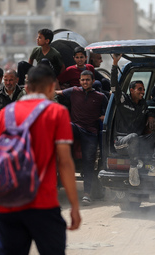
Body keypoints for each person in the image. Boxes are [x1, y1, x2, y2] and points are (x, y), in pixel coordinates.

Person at [0, 64, 81, 255]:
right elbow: (65, 163)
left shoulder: (6, 114)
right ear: (51, 87)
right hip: (42, 203)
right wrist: (74, 205)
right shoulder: (57, 112)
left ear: (27, 87)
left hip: (7, 203)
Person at [111, 54, 155, 187]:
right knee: (133, 136)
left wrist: (151, 114)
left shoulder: (143, 104)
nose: (142, 92)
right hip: (121, 142)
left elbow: (147, 111)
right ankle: (133, 168)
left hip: (137, 141)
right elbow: (114, 85)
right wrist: (115, 63)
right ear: (131, 90)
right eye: (139, 89)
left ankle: (154, 166)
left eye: (143, 89)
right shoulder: (123, 100)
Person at [56, 70, 107, 205]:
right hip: (75, 127)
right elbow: (57, 93)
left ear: (92, 80)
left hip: (91, 132)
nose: (85, 82)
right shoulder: (74, 91)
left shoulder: (101, 97)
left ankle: (86, 194)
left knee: (88, 163)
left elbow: (108, 113)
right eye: (83, 80)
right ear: (79, 81)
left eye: (87, 80)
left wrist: (103, 117)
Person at [0, 69, 23, 135]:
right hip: (2, 128)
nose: (8, 83)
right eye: (6, 80)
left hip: (19, 127)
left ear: (16, 80)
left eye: (11, 80)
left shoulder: (23, 93)